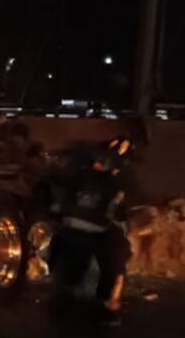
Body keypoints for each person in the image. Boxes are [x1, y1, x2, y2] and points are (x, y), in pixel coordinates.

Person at [48, 136, 134, 326]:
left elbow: (59, 203)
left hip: (71, 231)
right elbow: (117, 215)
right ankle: (110, 306)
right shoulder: (114, 183)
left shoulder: (79, 175)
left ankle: (64, 295)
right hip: (92, 232)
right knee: (118, 256)